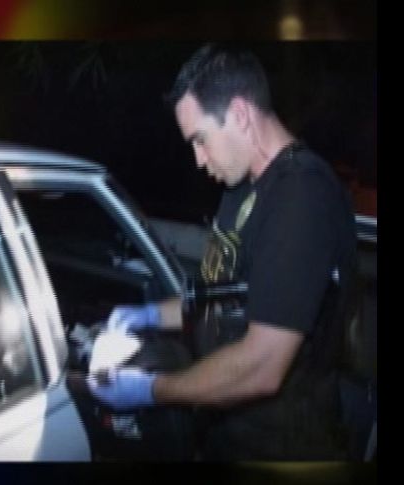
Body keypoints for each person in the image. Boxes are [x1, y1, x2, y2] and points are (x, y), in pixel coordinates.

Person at [87, 43, 358, 460]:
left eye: (200, 139)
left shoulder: (302, 195)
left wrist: (153, 390)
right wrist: (148, 315)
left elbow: (263, 365)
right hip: (223, 433)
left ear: (241, 115)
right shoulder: (239, 189)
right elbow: (217, 296)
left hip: (280, 446)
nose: (198, 160)